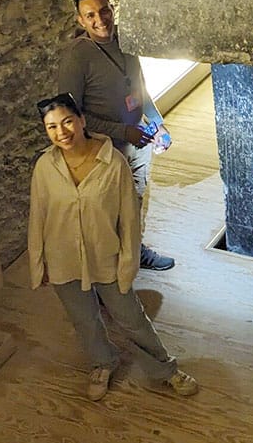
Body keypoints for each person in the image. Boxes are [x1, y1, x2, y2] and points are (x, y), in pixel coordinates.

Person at [27, 93, 198, 401]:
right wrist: (38, 265)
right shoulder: (45, 166)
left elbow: (129, 219)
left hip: (105, 254)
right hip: (63, 257)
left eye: (67, 122)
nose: (61, 132)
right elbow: (38, 216)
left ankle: (165, 369)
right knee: (83, 319)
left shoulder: (111, 162)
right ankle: (102, 361)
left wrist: (129, 261)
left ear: (81, 121)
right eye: (51, 127)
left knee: (131, 318)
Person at [57, 0, 175, 271]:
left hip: (138, 142)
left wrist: (157, 123)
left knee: (133, 203)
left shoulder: (125, 40)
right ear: (80, 21)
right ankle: (104, 271)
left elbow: (139, 89)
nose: (100, 19)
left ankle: (134, 253)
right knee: (106, 211)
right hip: (105, 148)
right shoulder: (77, 57)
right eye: (91, 15)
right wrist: (124, 133)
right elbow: (72, 115)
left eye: (104, 10)